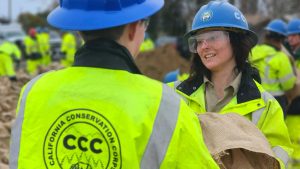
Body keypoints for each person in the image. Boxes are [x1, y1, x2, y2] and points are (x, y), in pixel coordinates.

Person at [9, 0, 220, 168]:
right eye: (145, 24)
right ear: (133, 28)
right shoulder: (165, 105)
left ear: (79, 28)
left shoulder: (33, 92)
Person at [169, 1, 292, 168]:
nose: (204, 46)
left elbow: (280, 151)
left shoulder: (264, 105)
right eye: (198, 40)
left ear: (236, 40)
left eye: (212, 37)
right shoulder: (173, 95)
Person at [250, 19, 296, 117]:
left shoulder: (253, 52)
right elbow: (288, 85)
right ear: (282, 39)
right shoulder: (281, 57)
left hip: (253, 99)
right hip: (276, 101)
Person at [285, 18, 300, 169]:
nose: (290, 38)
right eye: (288, 35)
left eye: (293, 35)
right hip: (292, 107)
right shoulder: (291, 55)